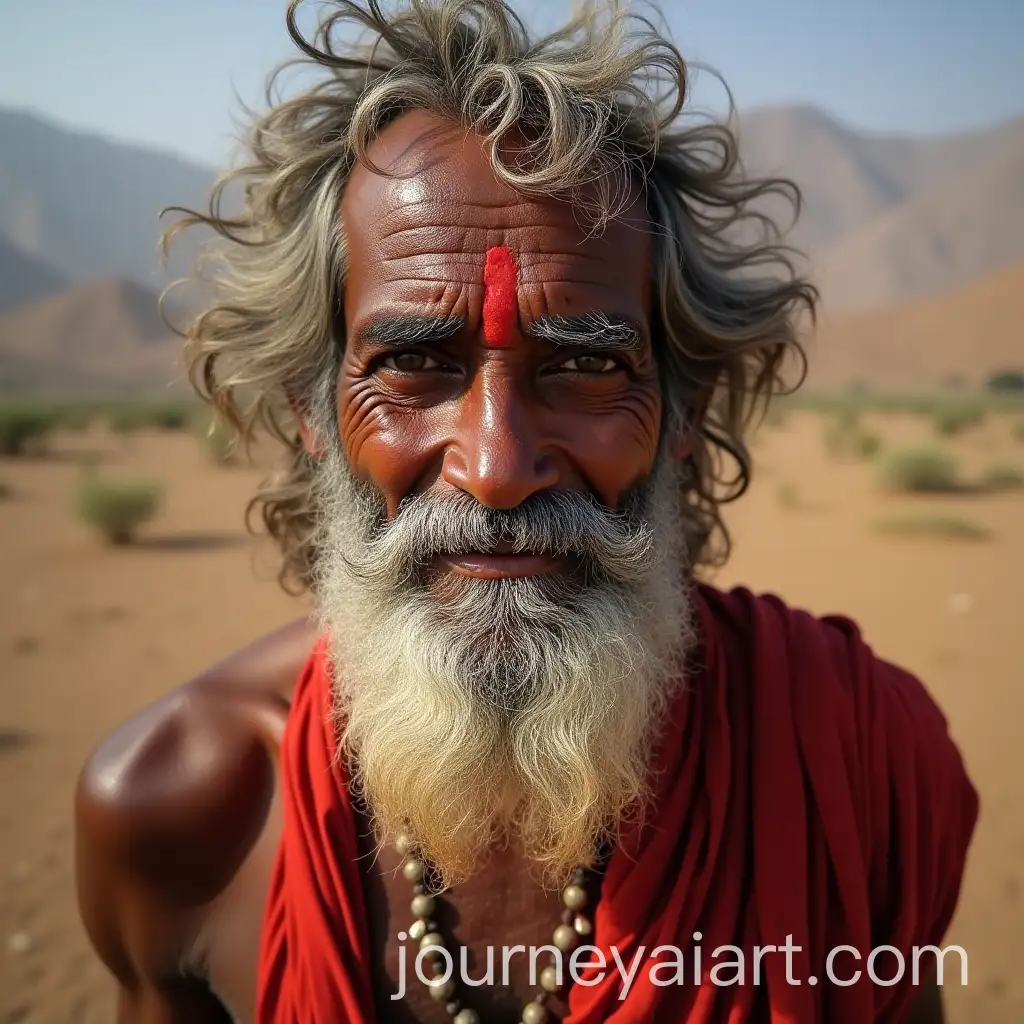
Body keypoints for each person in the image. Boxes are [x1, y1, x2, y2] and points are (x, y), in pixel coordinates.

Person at [74, 1, 978, 1022]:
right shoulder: (180, 812)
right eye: (413, 363)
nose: (497, 465)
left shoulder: (855, 761)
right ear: (309, 409)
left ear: (686, 412)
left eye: (588, 365)